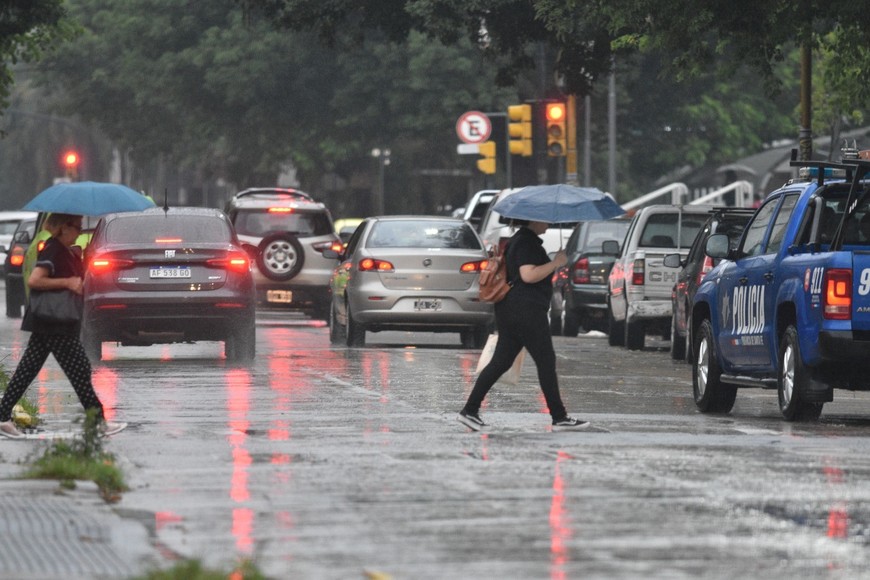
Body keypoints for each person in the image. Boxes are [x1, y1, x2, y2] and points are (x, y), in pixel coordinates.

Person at [0, 213, 125, 439]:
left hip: (52, 320)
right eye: (76, 227)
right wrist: (67, 282)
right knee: (79, 369)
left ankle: (2, 417)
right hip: (55, 320)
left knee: (29, 370)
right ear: (63, 228)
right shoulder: (53, 249)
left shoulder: (64, 250)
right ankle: (97, 423)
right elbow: (35, 279)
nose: (79, 232)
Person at [458, 220, 590, 431]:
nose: (548, 223)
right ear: (533, 220)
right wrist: (555, 263)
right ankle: (559, 416)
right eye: (544, 219)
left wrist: (554, 262)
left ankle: (470, 410)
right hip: (526, 311)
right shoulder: (526, 243)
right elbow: (528, 275)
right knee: (546, 360)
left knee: (501, 362)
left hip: (512, 309)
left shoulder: (520, 241)